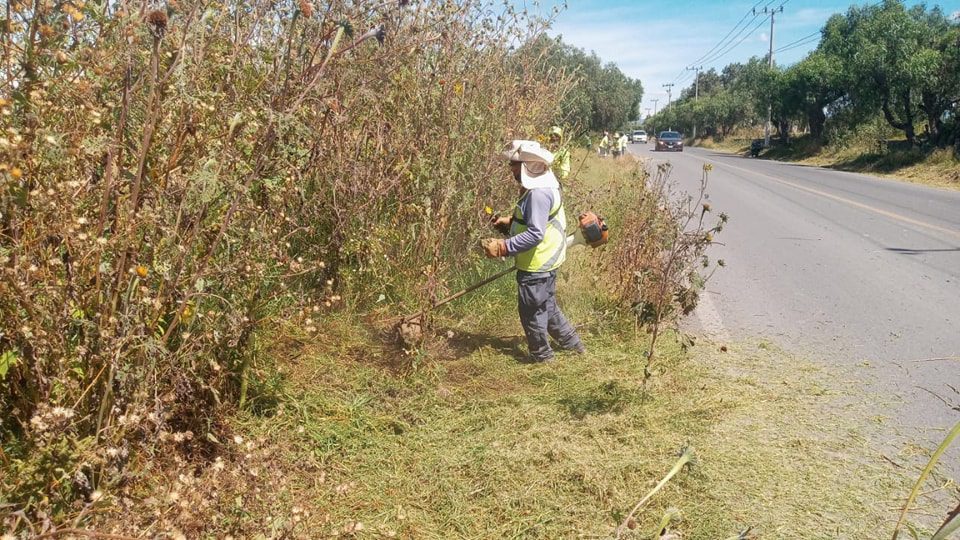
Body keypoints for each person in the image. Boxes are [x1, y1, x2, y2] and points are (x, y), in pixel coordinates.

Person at [482, 140, 586, 363]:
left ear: (527, 166)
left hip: (537, 265)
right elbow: (538, 220)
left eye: (514, 164)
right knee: (547, 307)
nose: (510, 168)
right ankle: (574, 346)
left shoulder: (538, 193)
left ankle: (542, 357)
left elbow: (535, 234)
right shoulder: (545, 185)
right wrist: (510, 223)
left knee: (531, 313)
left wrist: (503, 247)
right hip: (547, 261)